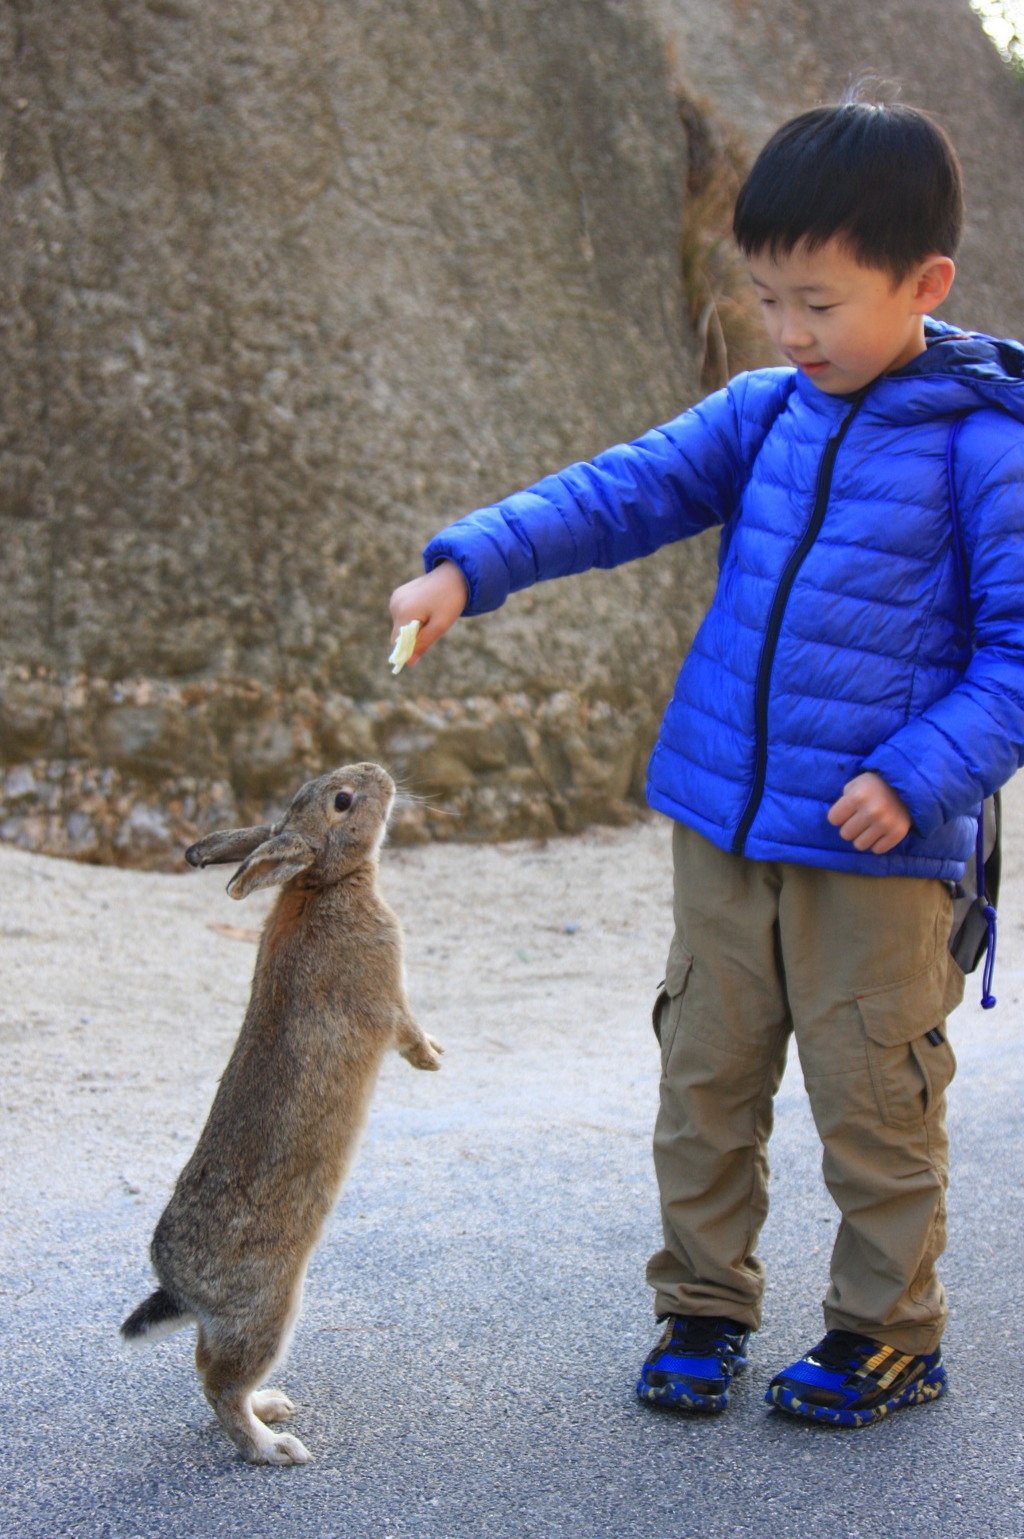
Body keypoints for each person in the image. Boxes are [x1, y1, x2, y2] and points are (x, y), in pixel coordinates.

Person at [387, 100, 1024, 1427]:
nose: (791, 331)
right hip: (726, 829)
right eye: (768, 297)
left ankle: (888, 1332)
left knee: (876, 1097)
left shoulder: (988, 447)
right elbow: (619, 492)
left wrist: (917, 773)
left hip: (876, 847)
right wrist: (470, 566)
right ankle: (702, 1306)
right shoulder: (765, 411)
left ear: (926, 286)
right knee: (705, 1078)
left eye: (820, 303)